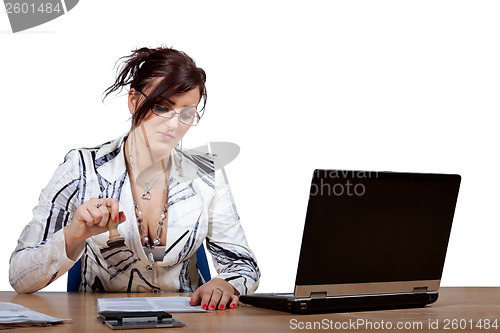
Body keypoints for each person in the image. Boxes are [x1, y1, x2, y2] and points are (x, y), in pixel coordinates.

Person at [9, 46, 260, 311]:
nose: (174, 124)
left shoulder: (205, 175)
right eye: (162, 107)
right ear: (133, 101)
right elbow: (20, 277)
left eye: (187, 114)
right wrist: (74, 234)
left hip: (187, 325)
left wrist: (225, 284)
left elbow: (242, 263)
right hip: (99, 327)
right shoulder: (82, 169)